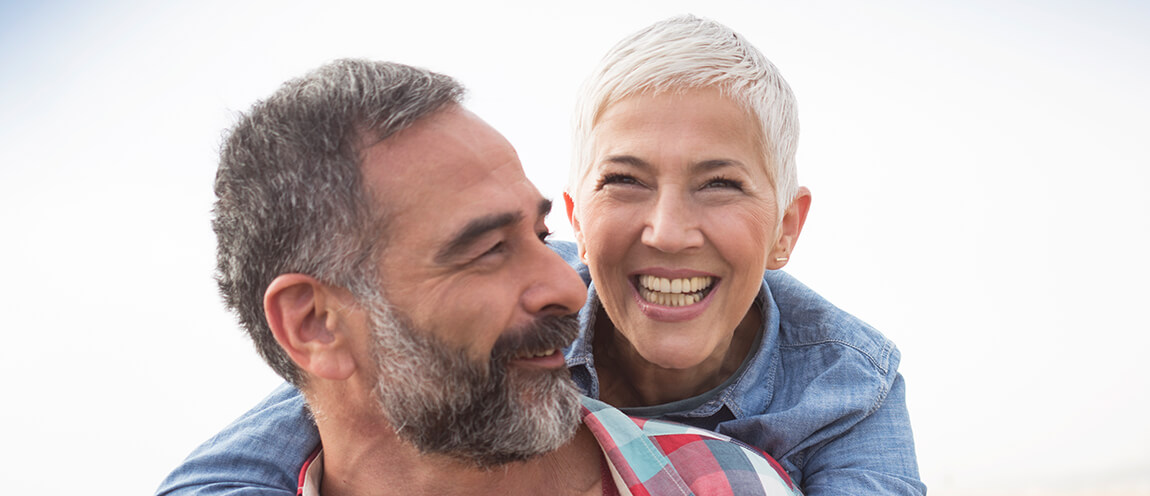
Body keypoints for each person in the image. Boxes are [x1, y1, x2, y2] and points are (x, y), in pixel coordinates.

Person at [159, 15, 923, 495]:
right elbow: (318, 403)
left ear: (786, 228)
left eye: (720, 185)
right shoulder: (543, 304)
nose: (667, 230)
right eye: (625, 182)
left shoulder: (846, 381)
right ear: (577, 220)